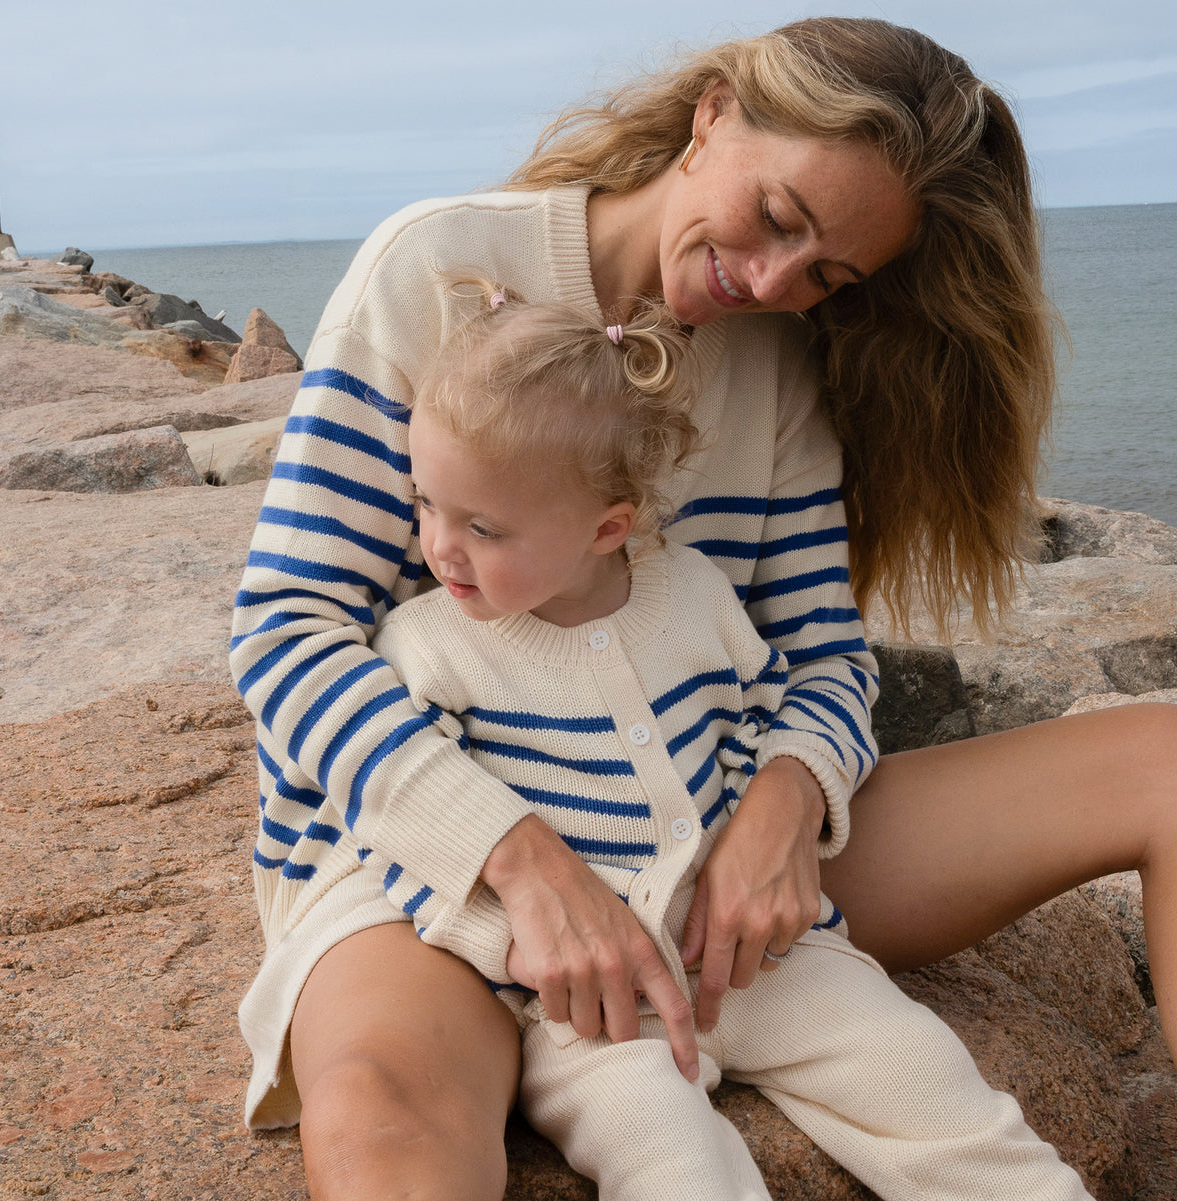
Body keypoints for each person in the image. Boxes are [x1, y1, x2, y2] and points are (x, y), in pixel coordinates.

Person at [230, 16, 1176, 1200]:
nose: (774, 283)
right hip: (436, 870)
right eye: (776, 215)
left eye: (828, 274)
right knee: (383, 1122)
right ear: (713, 115)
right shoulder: (435, 265)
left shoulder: (778, 352)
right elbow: (287, 630)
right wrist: (523, 864)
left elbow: (823, 658)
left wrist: (786, 803)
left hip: (705, 823)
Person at [362, 278, 1090, 1199]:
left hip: (756, 960)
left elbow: (762, 721)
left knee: (923, 1073)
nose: (440, 546)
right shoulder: (426, 647)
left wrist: (765, 851)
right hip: (591, 1008)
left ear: (607, 527)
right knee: (671, 1163)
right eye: (427, 502)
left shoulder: (697, 596)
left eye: (483, 526)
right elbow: (403, 836)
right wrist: (507, 947)